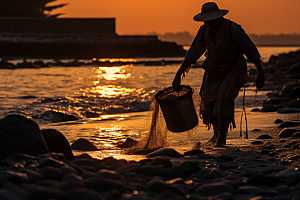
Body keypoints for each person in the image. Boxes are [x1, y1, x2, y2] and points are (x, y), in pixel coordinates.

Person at [172, 2, 265, 147]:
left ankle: (222, 136)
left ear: (219, 18)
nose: (209, 23)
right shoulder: (204, 31)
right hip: (212, 72)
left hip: (231, 71)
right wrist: (178, 75)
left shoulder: (233, 29)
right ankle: (215, 134)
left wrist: (261, 73)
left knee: (223, 101)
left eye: (212, 20)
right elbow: (192, 55)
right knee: (208, 104)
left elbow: (251, 51)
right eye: (206, 20)